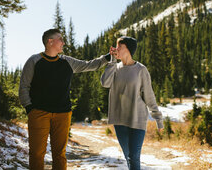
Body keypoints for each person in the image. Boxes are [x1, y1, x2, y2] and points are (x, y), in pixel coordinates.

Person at [19, 28, 111, 170]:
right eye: (60, 39)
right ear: (50, 42)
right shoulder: (34, 61)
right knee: (37, 154)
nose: (63, 42)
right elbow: (24, 86)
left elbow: (88, 65)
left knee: (60, 154)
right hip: (38, 114)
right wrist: (30, 108)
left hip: (63, 114)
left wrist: (107, 57)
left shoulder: (67, 62)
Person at [101, 36, 163, 170]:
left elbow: (149, 95)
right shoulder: (115, 68)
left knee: (134, 157)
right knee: (128, 156)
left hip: (137, 119)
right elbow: (105, 83)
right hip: (119, 120)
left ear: (128, 49)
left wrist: (158, 118)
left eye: (119, 47)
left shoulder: (141, 70)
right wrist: (111, 62)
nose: (116, 49)